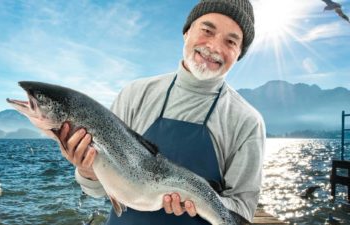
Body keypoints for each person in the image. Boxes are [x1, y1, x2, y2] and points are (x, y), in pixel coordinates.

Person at [57, 0, 265, 224]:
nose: (214, 47)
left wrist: (197, 198)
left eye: (231, 41)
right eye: (207, 30)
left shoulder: (247, 121)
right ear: (186, 32)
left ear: (239, 54)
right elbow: (97, 190)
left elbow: (242, 210)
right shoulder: (135, 94)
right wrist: (87, 170)